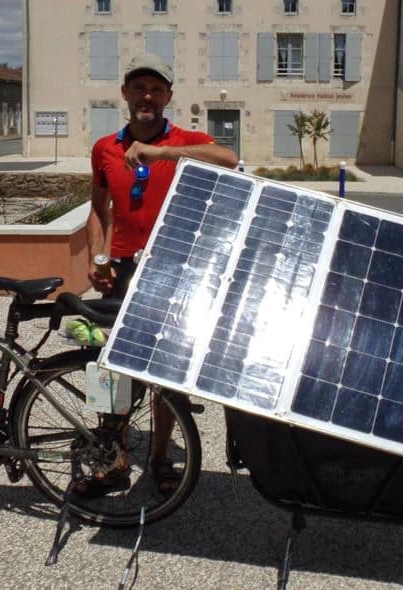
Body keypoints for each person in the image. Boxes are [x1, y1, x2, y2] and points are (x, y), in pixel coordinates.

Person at [84, 54, 238, 496]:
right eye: (138, 88)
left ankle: (159, 457)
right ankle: (113, 460)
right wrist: (98, 260)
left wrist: (163, 152)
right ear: (125, 95)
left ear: (168, 96)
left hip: (176, 268)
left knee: (165, 371)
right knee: (112, 367)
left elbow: (228, 159)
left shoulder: (186, 140)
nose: (146, 96)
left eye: (155, 88)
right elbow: (99, 208)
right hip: (125, 268)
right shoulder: (105, 148)